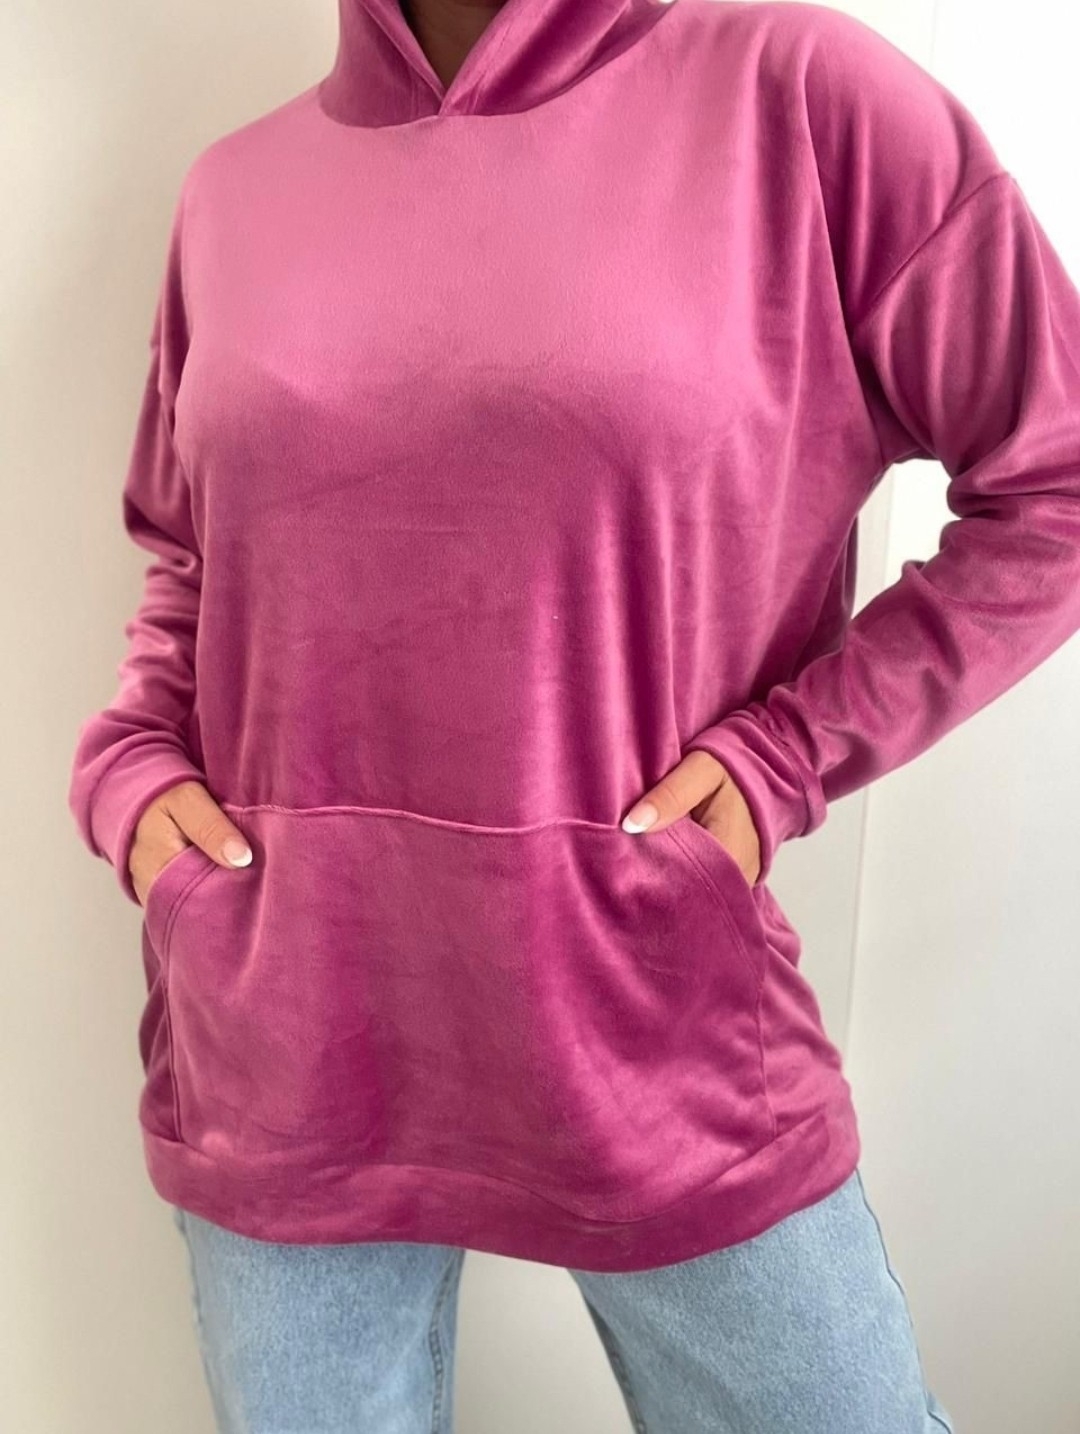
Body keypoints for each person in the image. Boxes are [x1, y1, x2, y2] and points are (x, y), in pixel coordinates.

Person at [67, 0, 1080, 1428]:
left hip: (654, 1015)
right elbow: (189, 552)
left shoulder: (799, 101)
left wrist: (790, 754)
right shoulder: (233, 190)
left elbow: (1056, 481)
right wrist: (131, 765)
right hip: (282, 1031)